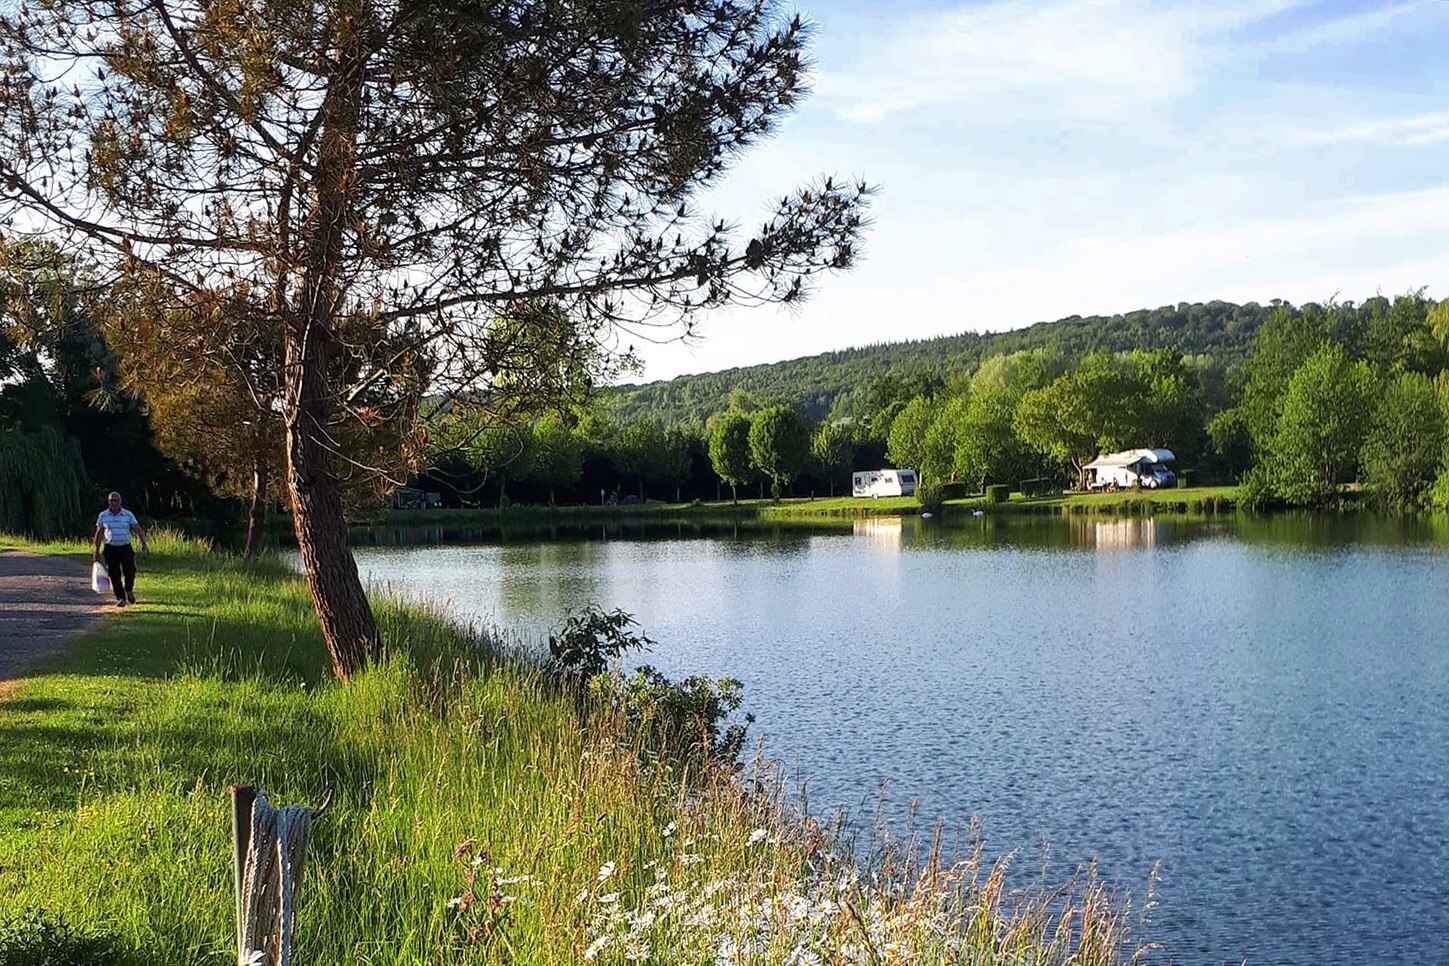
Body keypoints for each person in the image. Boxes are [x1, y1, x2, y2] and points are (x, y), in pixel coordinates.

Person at [92, 491, 149, 607]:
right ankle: (121, 598)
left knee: (130, 571)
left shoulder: (128, 515)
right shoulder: (103, 515)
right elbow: (99, 533)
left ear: (120, 502)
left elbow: (137, 528)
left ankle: (128, 590)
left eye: (116, 500)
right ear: (108, 502)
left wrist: (143, 542)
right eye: (111, 500)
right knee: (114, 574)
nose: (114, 503)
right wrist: (96, 551)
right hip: (110, 548)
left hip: (125, 547)